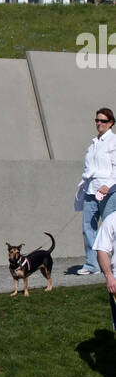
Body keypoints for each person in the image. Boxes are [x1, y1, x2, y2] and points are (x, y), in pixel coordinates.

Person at [74, 108, 116, 273]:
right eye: (97, 120)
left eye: (103, 121)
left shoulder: (113, 141)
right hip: (91, 190)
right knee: (88, 227)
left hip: (109, 191)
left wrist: (109, 184)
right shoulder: (93, 143)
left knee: (110, 227)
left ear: (111, 123)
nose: (99, 123)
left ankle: (112, 263)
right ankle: (93, 264)